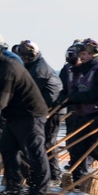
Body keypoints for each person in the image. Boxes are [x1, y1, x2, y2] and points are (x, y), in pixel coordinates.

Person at [0, 43, 49, 195]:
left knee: (35, 151)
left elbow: (1, 101)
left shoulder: (7, 69)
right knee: (7, 148)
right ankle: (14, 187)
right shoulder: (1, 67)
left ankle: (40, 190)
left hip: (30, 114)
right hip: (15, 115)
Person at [18, 40, 65, 183]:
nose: (24, 59)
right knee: (41, 142)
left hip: (53, 108)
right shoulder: (31, 66)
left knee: (48, 142)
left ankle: (54, 174)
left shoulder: (39, 69)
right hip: (43, 108)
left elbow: (31, 92)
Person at [64, 39, 98, 179]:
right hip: (83, 114)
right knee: (77, 147)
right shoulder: (80, 70)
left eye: (85, 54)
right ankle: (78, 177)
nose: (82, 57)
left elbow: (97, 94)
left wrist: (76, 98)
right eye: (81, 54)